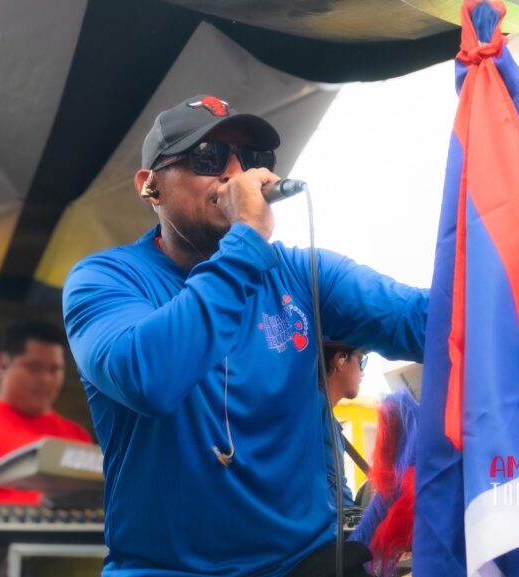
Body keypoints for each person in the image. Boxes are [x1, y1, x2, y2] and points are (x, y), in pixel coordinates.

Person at [62, 94, 429, 576]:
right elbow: (149, 376)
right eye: (208, 158)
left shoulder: (299, 274)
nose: (235, 173)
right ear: (149, 185)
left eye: (252, 159)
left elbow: (427, 321)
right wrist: (247, 239)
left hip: (303, 565)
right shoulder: (106, 280)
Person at [0, 320, 93, 504]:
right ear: (2, 365)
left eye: (54, 369)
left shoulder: (77, 437)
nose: (45, 380)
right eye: (34, 367)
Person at [321, 341, 369, 508]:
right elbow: (337, 500)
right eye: (361, 360)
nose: (362, 372)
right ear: (340, 359)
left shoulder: (322, 416)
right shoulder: (320, 418)